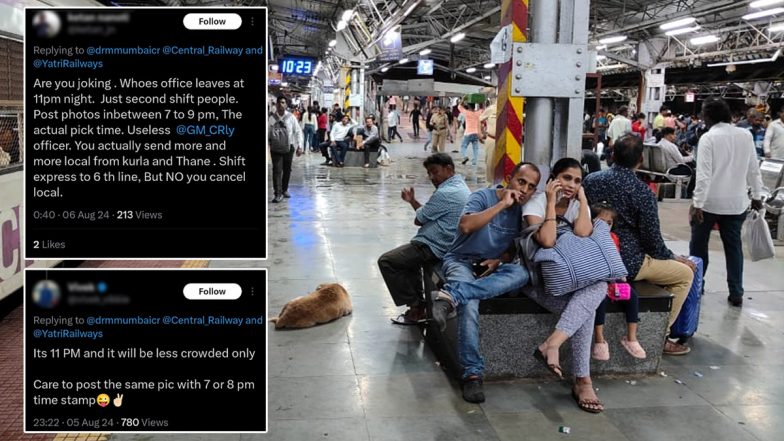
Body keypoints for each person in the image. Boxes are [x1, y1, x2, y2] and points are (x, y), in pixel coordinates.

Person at [430, 162, 541, 403]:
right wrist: (503, 203)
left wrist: (499, 260)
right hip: (460, 260)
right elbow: (466, 225)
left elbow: (514, 249)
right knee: (471, 304)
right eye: (521, 182)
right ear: (509, 179)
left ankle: (452, 295)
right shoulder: (483, 196)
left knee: (522, 273)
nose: (524, 190)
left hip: (490, 266)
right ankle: (472, 374)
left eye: (531, 187)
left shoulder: (523, 213)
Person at [583, 134, 696, 355]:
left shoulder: (591, 181)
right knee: (685, 275)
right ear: (640, 160)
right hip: (628, 262)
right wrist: (673, 256)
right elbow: (653, 241)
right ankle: (657, 337)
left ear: (613, 155)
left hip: (592, 256)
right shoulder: (643, 192)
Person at [522, 157, 606, 413]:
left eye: (577, 181)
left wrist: (583, 202)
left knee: (599, 287)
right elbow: (546, 241)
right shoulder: (535, 203)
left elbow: (582, 234)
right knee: (587, 309)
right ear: (554, 178)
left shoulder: (578, 205)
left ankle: (554, 345)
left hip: (572, 279)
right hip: (539, 280)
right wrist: (550, 202)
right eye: (567, 178)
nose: (571, 184)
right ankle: (582, 380)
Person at [378, 153, 471, 324]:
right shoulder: (459, 186)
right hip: (433, 242)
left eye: (435, 172)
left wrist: (415, 205)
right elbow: (424, 215)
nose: (432, 177)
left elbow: (419, 219)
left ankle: (416, 307)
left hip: (434, 246)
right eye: (429, 173)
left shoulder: (447, 192)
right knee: (408, 259)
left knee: (387, 261)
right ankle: (418, 305)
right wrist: (413, 201)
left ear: (449, 169)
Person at [689, 98, 764, 307]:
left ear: (708, 117)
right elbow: (753, 169)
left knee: (698, 246)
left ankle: (697, 286)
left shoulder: (708, 138)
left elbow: (703, 175)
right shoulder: (745, 135)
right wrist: (757, 196)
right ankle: (736, 292)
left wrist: (697, 203)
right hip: (736, 203)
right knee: (733, 248)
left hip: (709, 203)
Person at [590, 203, 646, 361]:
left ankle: (631, 338)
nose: (606, 226)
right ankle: (599, 340)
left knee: (632, 297)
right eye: (601, 222)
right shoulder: (588, 236)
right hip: (599, 280)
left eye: (609, 223)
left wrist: (621, 278)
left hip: (614, 280)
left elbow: (617, 259)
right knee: (600, 300)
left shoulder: (614, 238)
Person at [269, 95, 303, 203]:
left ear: (286, 105)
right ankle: (277, 194)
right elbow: (267, 133)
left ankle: (284, 189)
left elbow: (298, 132)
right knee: (277, 170)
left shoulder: (291, 117)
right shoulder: (271, 118)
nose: (281, 104)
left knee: (287, 170)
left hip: (289, 147)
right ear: (276, 104)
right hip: (275, 148)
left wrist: (300, 146)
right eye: (279, 103)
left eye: (283, 102)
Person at [458, 100, 482, 166]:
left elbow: (459, 107)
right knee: (475, 148)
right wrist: (481, 102)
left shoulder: (466, 112)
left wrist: (463, 99)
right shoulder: (477, 113)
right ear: (474, 106)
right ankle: (474, 162)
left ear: (468, 106)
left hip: (468, 133)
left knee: (463, 146)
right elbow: (482, 109)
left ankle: (465, 157)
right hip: (476, 133)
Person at [480, 100, 498, 184]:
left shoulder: (509, 108)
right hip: (492, 139)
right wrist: (480, 133)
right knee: (490, 162)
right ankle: (490, 183)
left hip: (505, 140)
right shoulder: (491, 109)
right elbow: (480, 120)